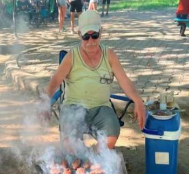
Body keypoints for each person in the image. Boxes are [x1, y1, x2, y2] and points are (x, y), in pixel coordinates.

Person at [43, 10, 146, 150]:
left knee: (110, 139)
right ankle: (82, 159)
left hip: (101, 108)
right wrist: (44, 102)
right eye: (86, 36)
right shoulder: (71, 56)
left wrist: (138, 100)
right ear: (79, 34)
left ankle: (92, 158)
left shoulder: (109, 55)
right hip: (74, 107)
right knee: (70, 145)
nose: (91, 41)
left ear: (101, 32)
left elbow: (125, 81)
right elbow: (54, 81)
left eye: (95, 36)